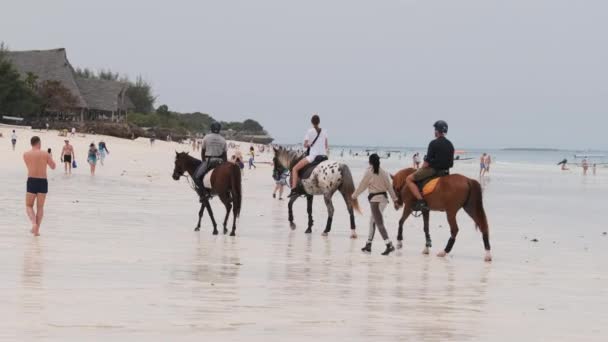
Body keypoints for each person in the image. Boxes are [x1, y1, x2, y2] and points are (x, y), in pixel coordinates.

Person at [352, 154, 400, 256]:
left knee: (378, 223)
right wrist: (395, 200)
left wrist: (354, 196)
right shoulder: (384, 172)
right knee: (372, 221)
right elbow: (389, 187)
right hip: (383, 200)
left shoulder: (369, 172)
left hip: (375, 201)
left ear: (370, 162)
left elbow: (362, 185)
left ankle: (389, 245)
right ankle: (368, 245)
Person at [406, 120, 454, 211]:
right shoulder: (450, 144)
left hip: (433, 170)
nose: (434, 132)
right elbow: (451, 163)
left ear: (437, 130)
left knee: (409, 179)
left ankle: (420, 201)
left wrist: (420, 169)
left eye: (435, 130)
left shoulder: (433, 143)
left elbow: (426, 163)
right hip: (446, 172)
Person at [23, 136, 56, 236]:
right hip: (43, 181)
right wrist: (50, 156)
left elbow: (29, 166)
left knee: (29, 206)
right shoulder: (45, 153)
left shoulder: (25, 154)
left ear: (31, 143)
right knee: (40, 207)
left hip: (32, 180)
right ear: (39, 143)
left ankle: (34, 224)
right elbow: (53, 167)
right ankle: (37, 231)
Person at [289, 114, 329, 198]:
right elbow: (326, 146)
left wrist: (310, 144)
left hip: (313, 156)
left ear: (312, 122)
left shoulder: (310, 131)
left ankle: (293, 189)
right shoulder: (325, 131)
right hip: (324, 157)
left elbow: (305, 145)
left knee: (294, 169)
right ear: (319, 122)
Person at [193, 122, 227, 200]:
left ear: (211, 129)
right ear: (219, 129)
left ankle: (204, 193)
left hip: (209, 161)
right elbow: (225, 155)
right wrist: (225, 165)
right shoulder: (223, 139)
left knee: (196, 177)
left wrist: (204, 162)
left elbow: (203, 151)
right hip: (220, 161)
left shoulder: (206, 137)